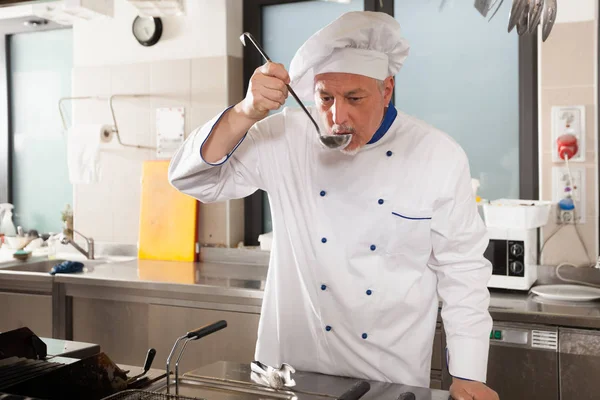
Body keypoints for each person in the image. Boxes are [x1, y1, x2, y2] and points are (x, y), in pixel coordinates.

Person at [169, 11, 499, 400]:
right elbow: (191, 178)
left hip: (390, 377)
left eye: (354, 98)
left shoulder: (437, 155)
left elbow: (462, 270)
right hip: (290, 375)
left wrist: (467, 374)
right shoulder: (285, 136)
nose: (337, 117)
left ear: (387, 89)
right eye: (325, 98)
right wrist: (246, 112)